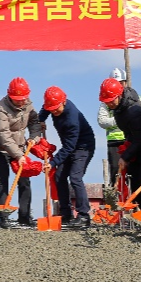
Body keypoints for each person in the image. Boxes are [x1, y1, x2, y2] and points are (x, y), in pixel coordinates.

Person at [0, 77, 44, 228]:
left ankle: (24, 216)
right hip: (0, 147)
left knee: (24, 179)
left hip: (20, 145)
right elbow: (3, 135)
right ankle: (3, 216)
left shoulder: (28, 104)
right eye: (17, 99)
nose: (21, 102)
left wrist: (34, 137)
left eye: (23, 99)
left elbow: (34, 123)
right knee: (2, 177)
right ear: (10, 96)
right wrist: (18, 155)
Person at [38, 86, 95, 229]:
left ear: (63, 102)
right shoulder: (52, 105)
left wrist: (52, 163)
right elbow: (45, 109)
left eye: (56, 109)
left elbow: (69, 147)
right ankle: (66, 213)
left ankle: (84, 215)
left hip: (83, 147)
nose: (54, 112)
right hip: (69, 146)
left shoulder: (71, 119)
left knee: (75, 177)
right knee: (59, 176)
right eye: (51, 109)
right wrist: (41, 120)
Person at [103, 78, 141, 215]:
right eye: (106, 101)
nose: (109, 103)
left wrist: (126, 156)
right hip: (136, 148)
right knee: (133, 181)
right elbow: (130, 134)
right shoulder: (118, 109)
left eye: (111, 100)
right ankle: (137, 215)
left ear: (119, 95)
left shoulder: (134, 111)